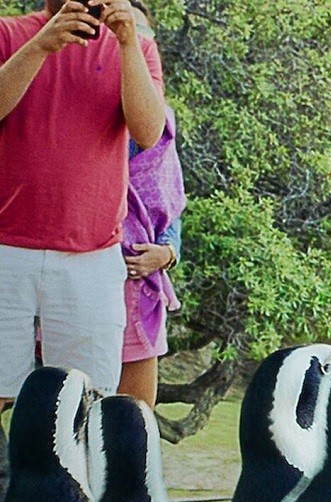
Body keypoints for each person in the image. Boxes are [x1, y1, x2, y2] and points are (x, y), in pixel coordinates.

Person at [0, 0, 165, 404]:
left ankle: (74, 471)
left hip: (91, 257)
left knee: (86, 401)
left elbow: (148, 132)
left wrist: (127, 42)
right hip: (5, 247)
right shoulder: (8, 34)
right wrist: (39, 46)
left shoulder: (139, 49)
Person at [118, 0, 185, 408]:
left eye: (143, 36)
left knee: (135, 415)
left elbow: (170, 202)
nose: (136, 44)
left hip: (139, 279)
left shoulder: (161, 123)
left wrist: (166, 253)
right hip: (81, 265)